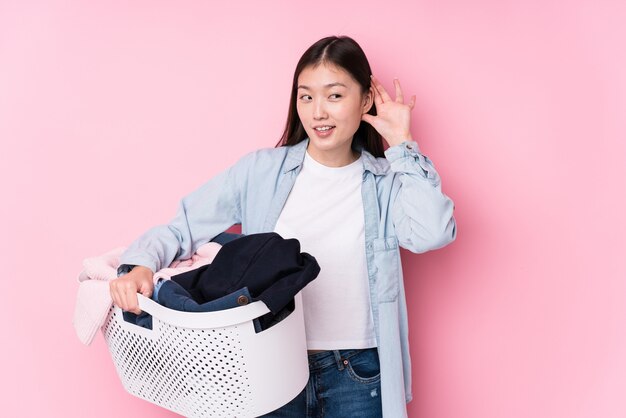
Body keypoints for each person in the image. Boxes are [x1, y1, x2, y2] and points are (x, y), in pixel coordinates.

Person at [109, 35, 456, 417]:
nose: (318, 112)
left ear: (366, 101)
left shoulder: (387, 182)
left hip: (357, 374)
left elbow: (433, 232)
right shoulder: (260, 171)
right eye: (306, 97)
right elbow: (182, 227)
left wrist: (403, 144)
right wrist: (139, 263)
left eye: (334, 96)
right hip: (268, 365)